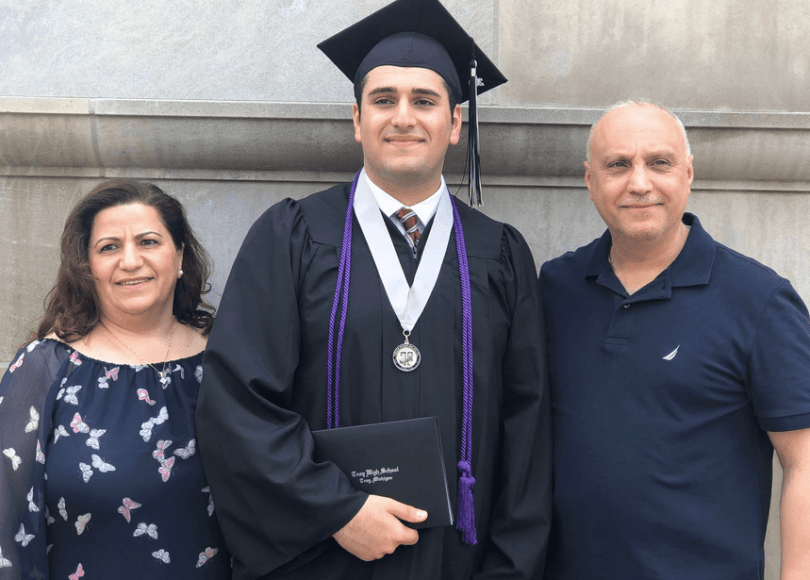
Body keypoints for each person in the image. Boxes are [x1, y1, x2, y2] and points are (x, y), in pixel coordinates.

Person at [196, 0, 551, 578]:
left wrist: (510, 569)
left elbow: (528, 430)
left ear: (456, 123)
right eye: (383, 100)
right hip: (323, 555)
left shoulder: (501, 255)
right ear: (357, 119)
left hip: (460, 562)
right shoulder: (291, 236)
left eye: (425, 101)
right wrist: (335, 511)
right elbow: (238, 401)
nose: (403, 117)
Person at [539, 101, 810, 579]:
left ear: (688, 172)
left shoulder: (760, 301)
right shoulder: (556, 288)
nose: (639, 183)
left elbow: (803, 460)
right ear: (590, 181)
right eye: (618, 165)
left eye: (659, 163)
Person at [0, 180, 231, 578]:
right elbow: (8, 525)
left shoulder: (229, 358)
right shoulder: (46, 369)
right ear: (87, 268)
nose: (129, 260)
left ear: (179, 256)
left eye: (148, 242)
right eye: (109, 247)